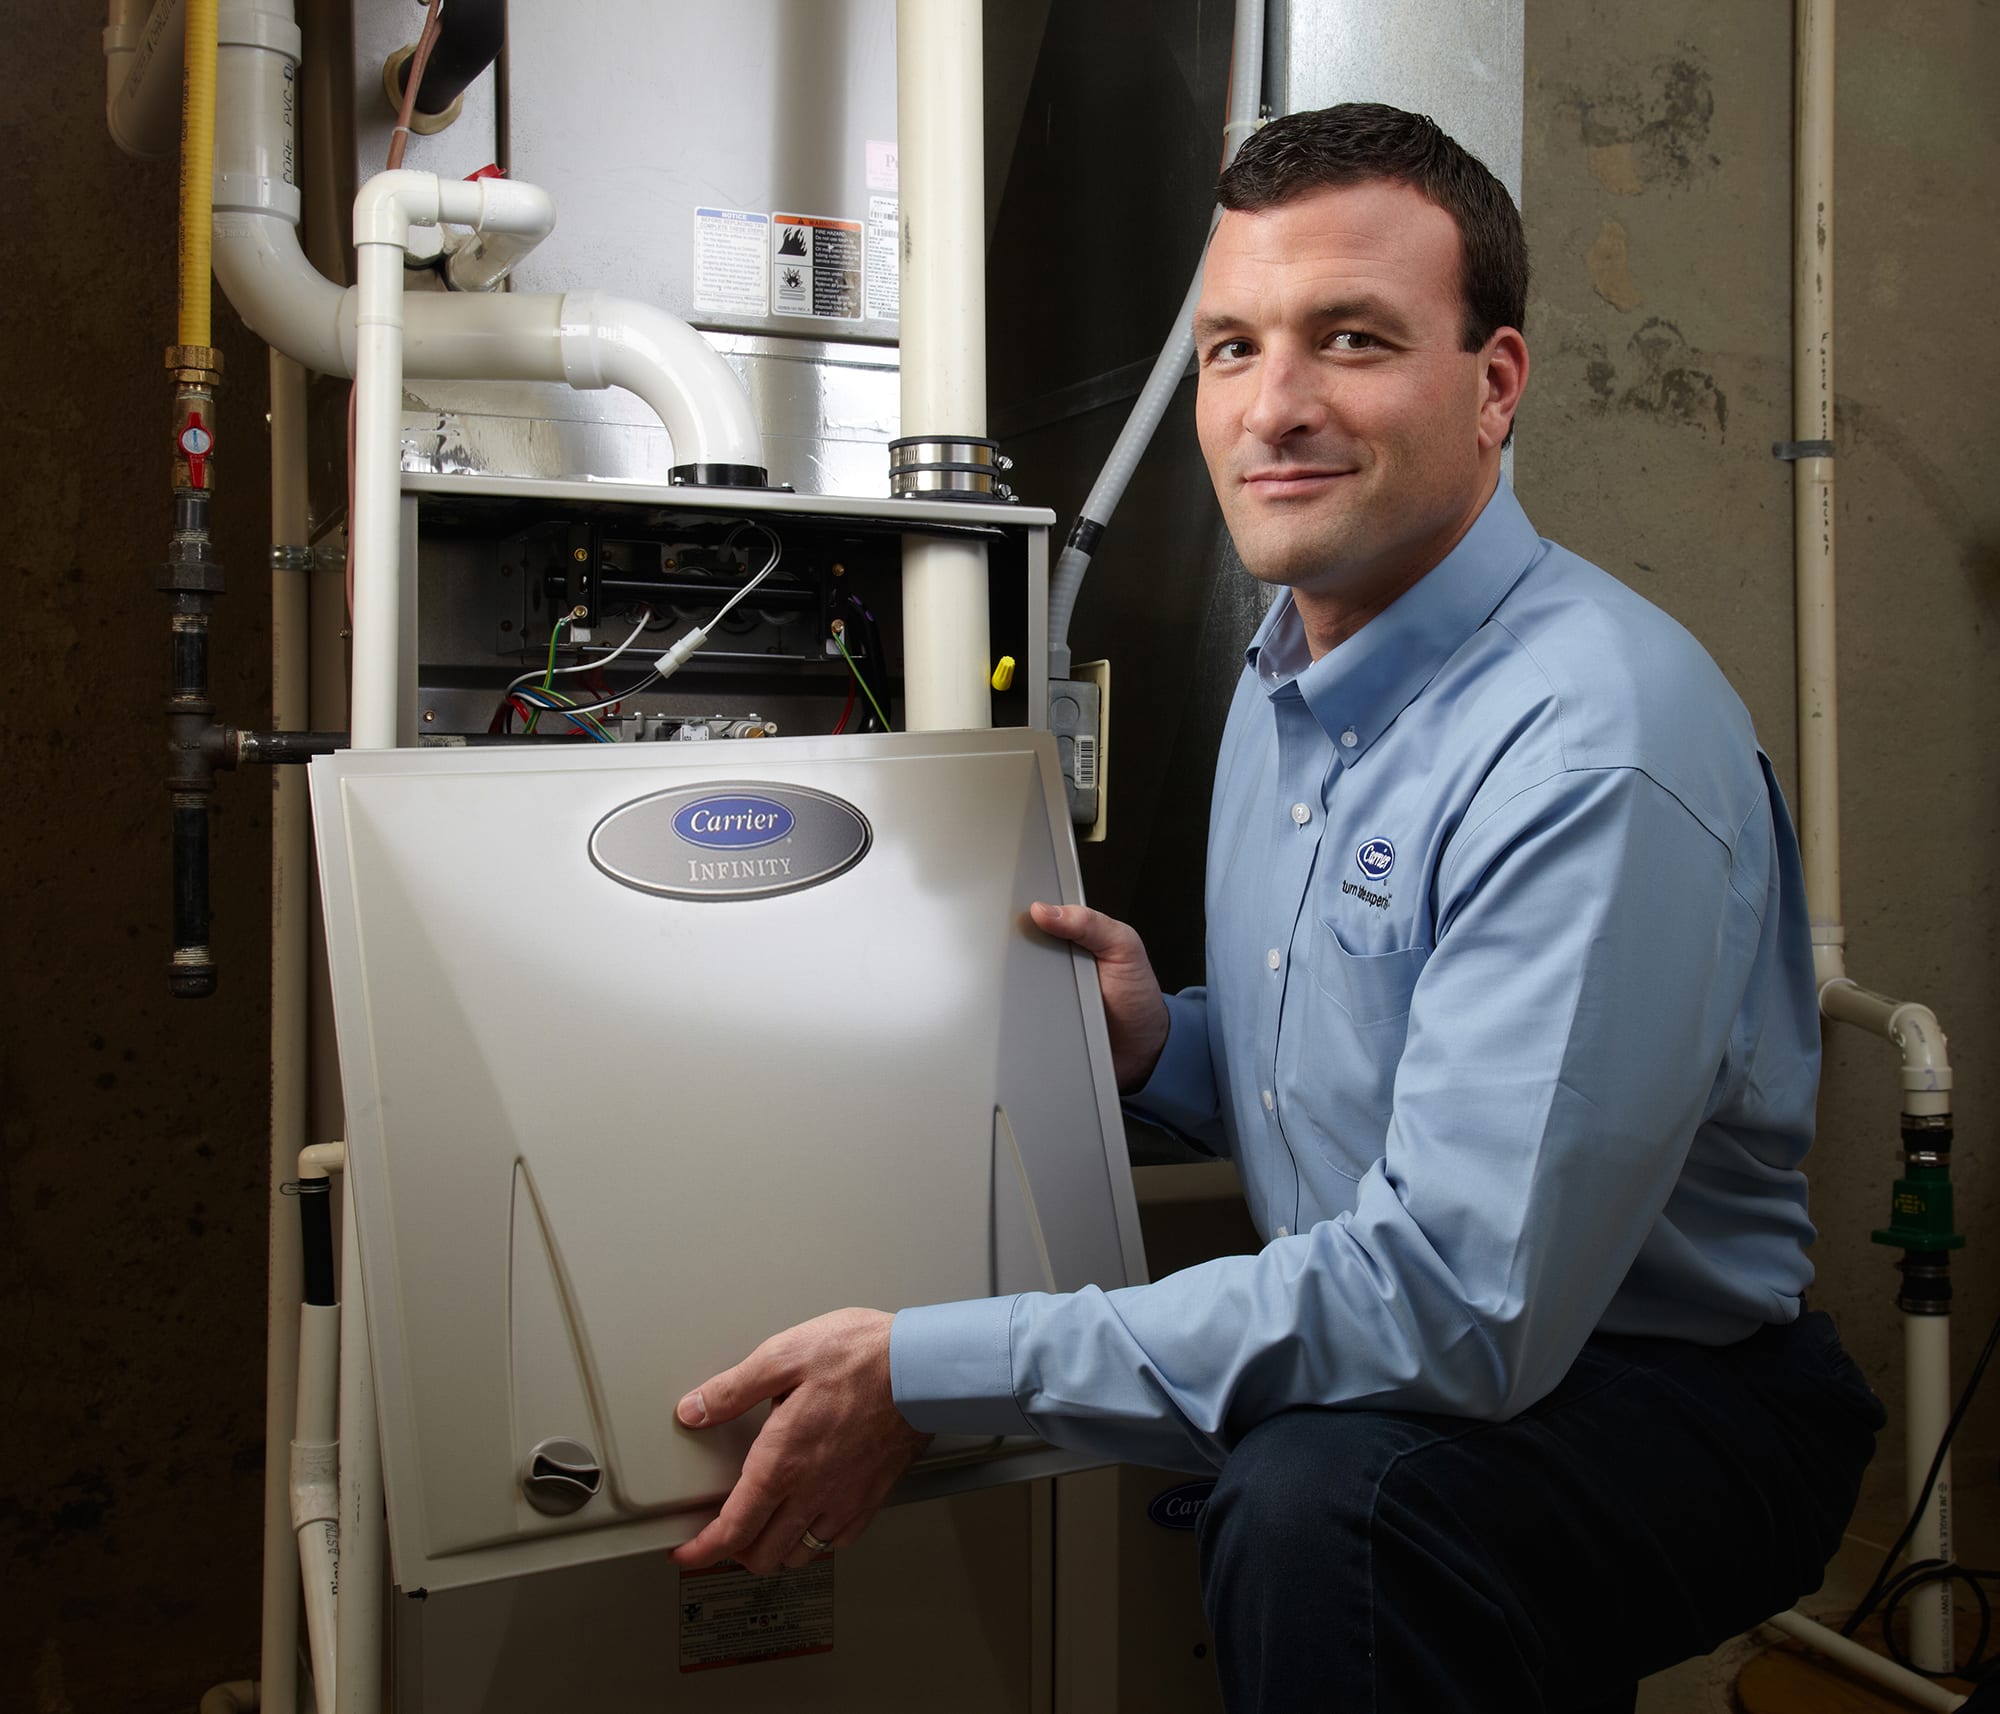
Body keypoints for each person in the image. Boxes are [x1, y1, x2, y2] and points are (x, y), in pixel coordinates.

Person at [667, 104, 1885, 1712]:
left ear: (1495, 382)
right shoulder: (1294, 668)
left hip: (1673, 1393)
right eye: (1231, 349)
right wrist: (1166, 1039)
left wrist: (925, 1363)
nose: (1275, 406)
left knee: (1331, 1509)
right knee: (1330, 1476)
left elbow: (1460, 1300)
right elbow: (1403, 1035)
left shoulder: (1592, 742)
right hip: (1473, 1359)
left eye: (1353, 339)